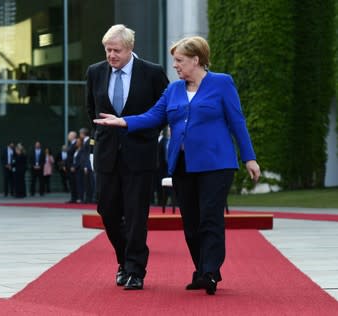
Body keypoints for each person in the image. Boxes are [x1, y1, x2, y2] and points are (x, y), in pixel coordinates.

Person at [93, 36, 261, 295]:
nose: (175, 66)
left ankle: (209, 272)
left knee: (210, 218)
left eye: (179, 61)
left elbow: (237, 122)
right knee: (192, 222)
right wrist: (123, 121)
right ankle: (202, 268)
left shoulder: (222, 83)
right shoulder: (173, 90)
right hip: (183, 164)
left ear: (196, 60)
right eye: (174, 61)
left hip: (216, 164)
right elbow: (153, 116)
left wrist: (249, 158)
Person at [86, 24, 169, 290]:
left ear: (130, 48)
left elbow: (164, 110)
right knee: (107, 211)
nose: (111, 55)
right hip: (107, 155)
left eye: (116, 50)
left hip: (140, 155)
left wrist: (141, 132)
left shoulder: (152, 73)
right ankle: (124, 260)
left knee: (135, 215)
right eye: (108, 50)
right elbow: (91, 108)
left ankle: (135, 270)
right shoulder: (95, 72)